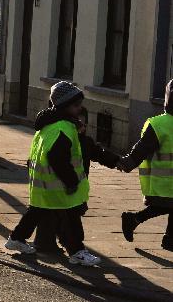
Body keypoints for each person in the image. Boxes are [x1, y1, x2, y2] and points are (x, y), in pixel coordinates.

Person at [4, 81, 101, 266]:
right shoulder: (63, 128)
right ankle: (77, 252)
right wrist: (71, 180)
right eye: (76, 105)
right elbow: (57, 157)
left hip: (43, 183)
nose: (79, 109)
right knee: (71, 217)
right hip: (59, 184)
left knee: (36, 212)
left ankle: (16, 239)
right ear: (65, 106)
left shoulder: (48, 124)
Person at [32, 106, 119, 253]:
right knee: (63, 219)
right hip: (60, 186)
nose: (80, 127)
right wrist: (70, 181)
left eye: (83, 124)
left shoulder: (85, 142)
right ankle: (68, 248)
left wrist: (116, 161)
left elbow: (99, 153)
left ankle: (61, 243)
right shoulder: (60, 137)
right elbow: (56, 160)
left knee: (66, 217)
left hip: (74, 189)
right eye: (77, 123)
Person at [117, 79, 173, 252]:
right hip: (162, 181)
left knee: (167, 207)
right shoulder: (159, 124)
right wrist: (128, 162)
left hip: (165, 182)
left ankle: (168, 239)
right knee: (164, 206)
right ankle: (134, 220)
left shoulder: (160, 124)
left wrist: (129, 162)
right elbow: (142, 148)